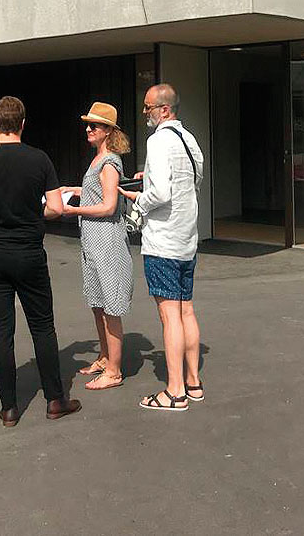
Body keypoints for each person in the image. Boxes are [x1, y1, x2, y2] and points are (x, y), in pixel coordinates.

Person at [0, 96, 82, 428]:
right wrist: (32, 211)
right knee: (42, 326)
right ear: (23, 124)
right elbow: (56, 208)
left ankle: (9, 407)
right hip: (28, 252)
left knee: (1, 330)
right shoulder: (39, 159)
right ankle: (55, 399)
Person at [120, 83, 204, 412]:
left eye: (149, 107)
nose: (145, 113)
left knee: (169, 316)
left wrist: (138, 198)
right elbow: (191, 182)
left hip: (163, 241)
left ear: (164, 110)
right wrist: (150, 178)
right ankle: (193, 382)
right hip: (186, 238)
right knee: (186, 310)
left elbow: (160, 194)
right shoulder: (189, 139)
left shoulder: (157, 141)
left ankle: (175, 391)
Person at [60, 101, 133, 391]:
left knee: (111, 306)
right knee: (98, 304)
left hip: (107, 241)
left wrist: (73, 210)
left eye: (94, 125)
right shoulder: (98, 159)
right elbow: (97, 192)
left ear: (108, 131)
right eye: (88, 125)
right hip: (92, 241)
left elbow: (108, 205)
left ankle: (114, 371)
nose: (88, 129)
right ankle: (104, 358)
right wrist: (73, 190)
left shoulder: (110, 162)